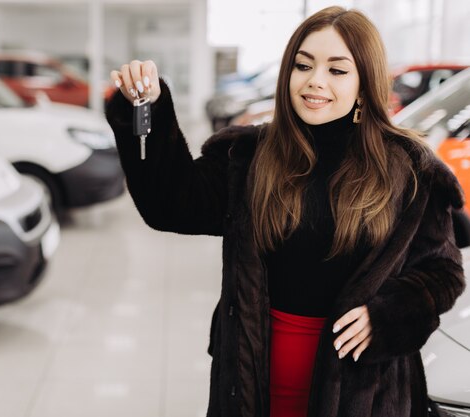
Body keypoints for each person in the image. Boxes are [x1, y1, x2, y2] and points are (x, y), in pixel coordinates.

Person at [105, 6, 466, 417]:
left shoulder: (409, 171)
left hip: (363, 393)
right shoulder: (251, 157)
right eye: (303, 65)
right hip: (253, 379)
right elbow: (169, 204)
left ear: (365, 83)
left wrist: (389, 317)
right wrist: (146, 108)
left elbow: (442, 271)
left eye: (337, 70)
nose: (315, 81)